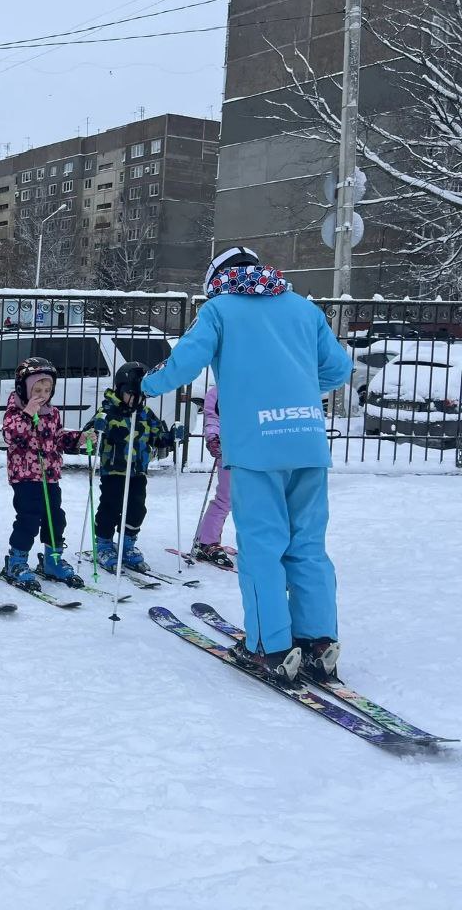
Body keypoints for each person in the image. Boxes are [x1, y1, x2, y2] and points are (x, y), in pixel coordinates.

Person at [140, 246, 353, 684]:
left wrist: (145, 381)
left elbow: (182, 365)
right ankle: (318, 642)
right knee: (308, 544)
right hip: (308, 441)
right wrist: (295, 389)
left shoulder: (219, 310)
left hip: (257, 447)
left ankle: (269, 647)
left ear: (216, 279)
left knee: (262, 548)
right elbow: (339, 368)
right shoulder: (302, 307)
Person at [88, 362, 186, 573]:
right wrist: (97, 432)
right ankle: (104, 543)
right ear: (121, 389)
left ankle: (127, 544)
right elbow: (89, 437)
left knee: (137, 508)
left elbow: (158, 437)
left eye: (142, 395)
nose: (138, 399)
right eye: (133, 394)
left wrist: (171, 437)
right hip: (113, 471)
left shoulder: (146, 414)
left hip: (137, 472)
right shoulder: (107, 411)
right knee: (110, 507)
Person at [1, 357, 85, 588]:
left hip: (50, 476)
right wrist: (28, 413)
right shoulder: (15, 411)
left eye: (47, 389)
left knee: (55, 518)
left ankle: (52, 560)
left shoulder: (52, 413)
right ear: (23, 388)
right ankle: (16, 561)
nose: (43, 394)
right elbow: (11, 436)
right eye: (37, 389)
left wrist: (78, 438)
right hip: (25, 477)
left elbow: (57, 438)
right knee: (28, 518)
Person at [191, 384, 234, 567]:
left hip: (258, 451)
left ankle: (257, 544)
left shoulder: (259, 381)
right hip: (230, 451)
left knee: (258, 500)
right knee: (226, 497)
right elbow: (212, 418)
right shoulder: (221, 389)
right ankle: (207, 542)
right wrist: (213, 437)